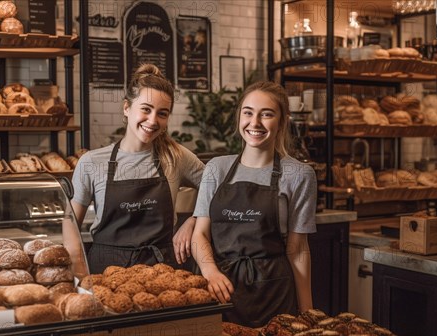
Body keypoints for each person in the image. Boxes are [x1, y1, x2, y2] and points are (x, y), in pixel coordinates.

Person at [191, 81, 316, 328]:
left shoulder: (299, 174)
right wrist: (210, 272)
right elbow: (200, 234)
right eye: (248, 112)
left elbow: (298, 249)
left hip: (273, 293)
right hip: (219, 292)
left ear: (282, 120)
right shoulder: (217, 169)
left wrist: (308, 313)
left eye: (266, 114)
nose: (255, 123)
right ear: (239, 117)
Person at [64, 64, 204, 275]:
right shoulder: (92, 162)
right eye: (146, 109)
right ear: (127, 108)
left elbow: (219, 188)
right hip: (106, 272)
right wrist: (77, 265)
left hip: (162, 271)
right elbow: (70, 221)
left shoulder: (175, 156)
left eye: (162, 113)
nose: (153, 120)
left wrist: (193, 221)